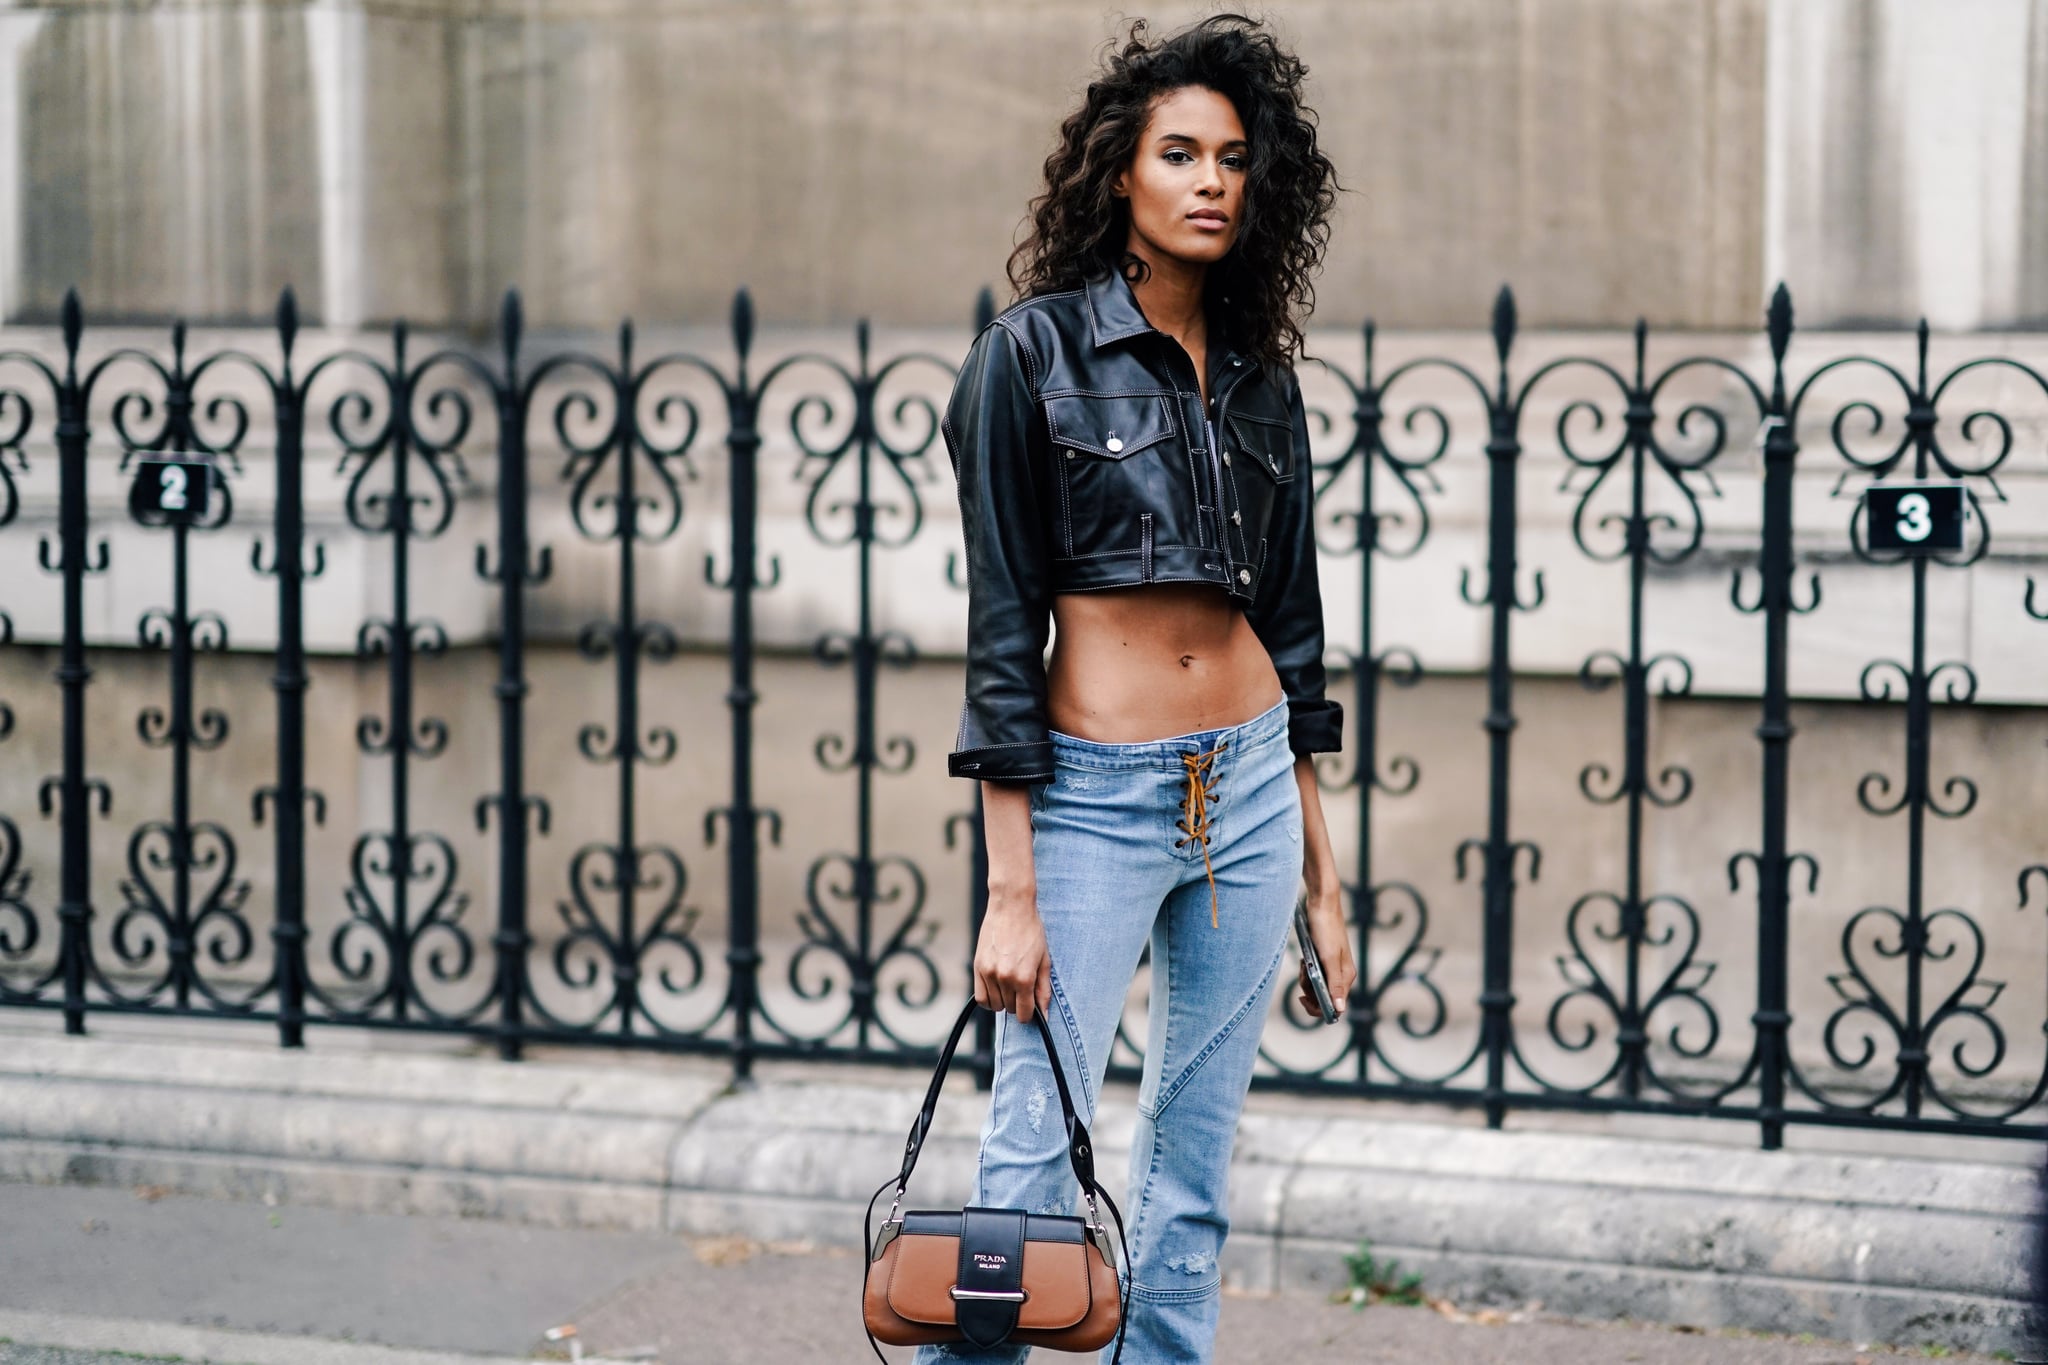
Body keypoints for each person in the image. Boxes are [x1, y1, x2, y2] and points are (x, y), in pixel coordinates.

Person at [926, 14, 1356, 1363]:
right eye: (1181, 153)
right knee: (1029, 1164)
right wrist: (1011, 888)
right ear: (1124, 172)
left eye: (1233, 158)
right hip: (1093, 803)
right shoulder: (1029, 358)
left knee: (1192, 1169)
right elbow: (1005, 635)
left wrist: (1323, 874)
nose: (1211, 181)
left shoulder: (1260, 383)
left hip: (1246, 791)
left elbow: (1292, 625)